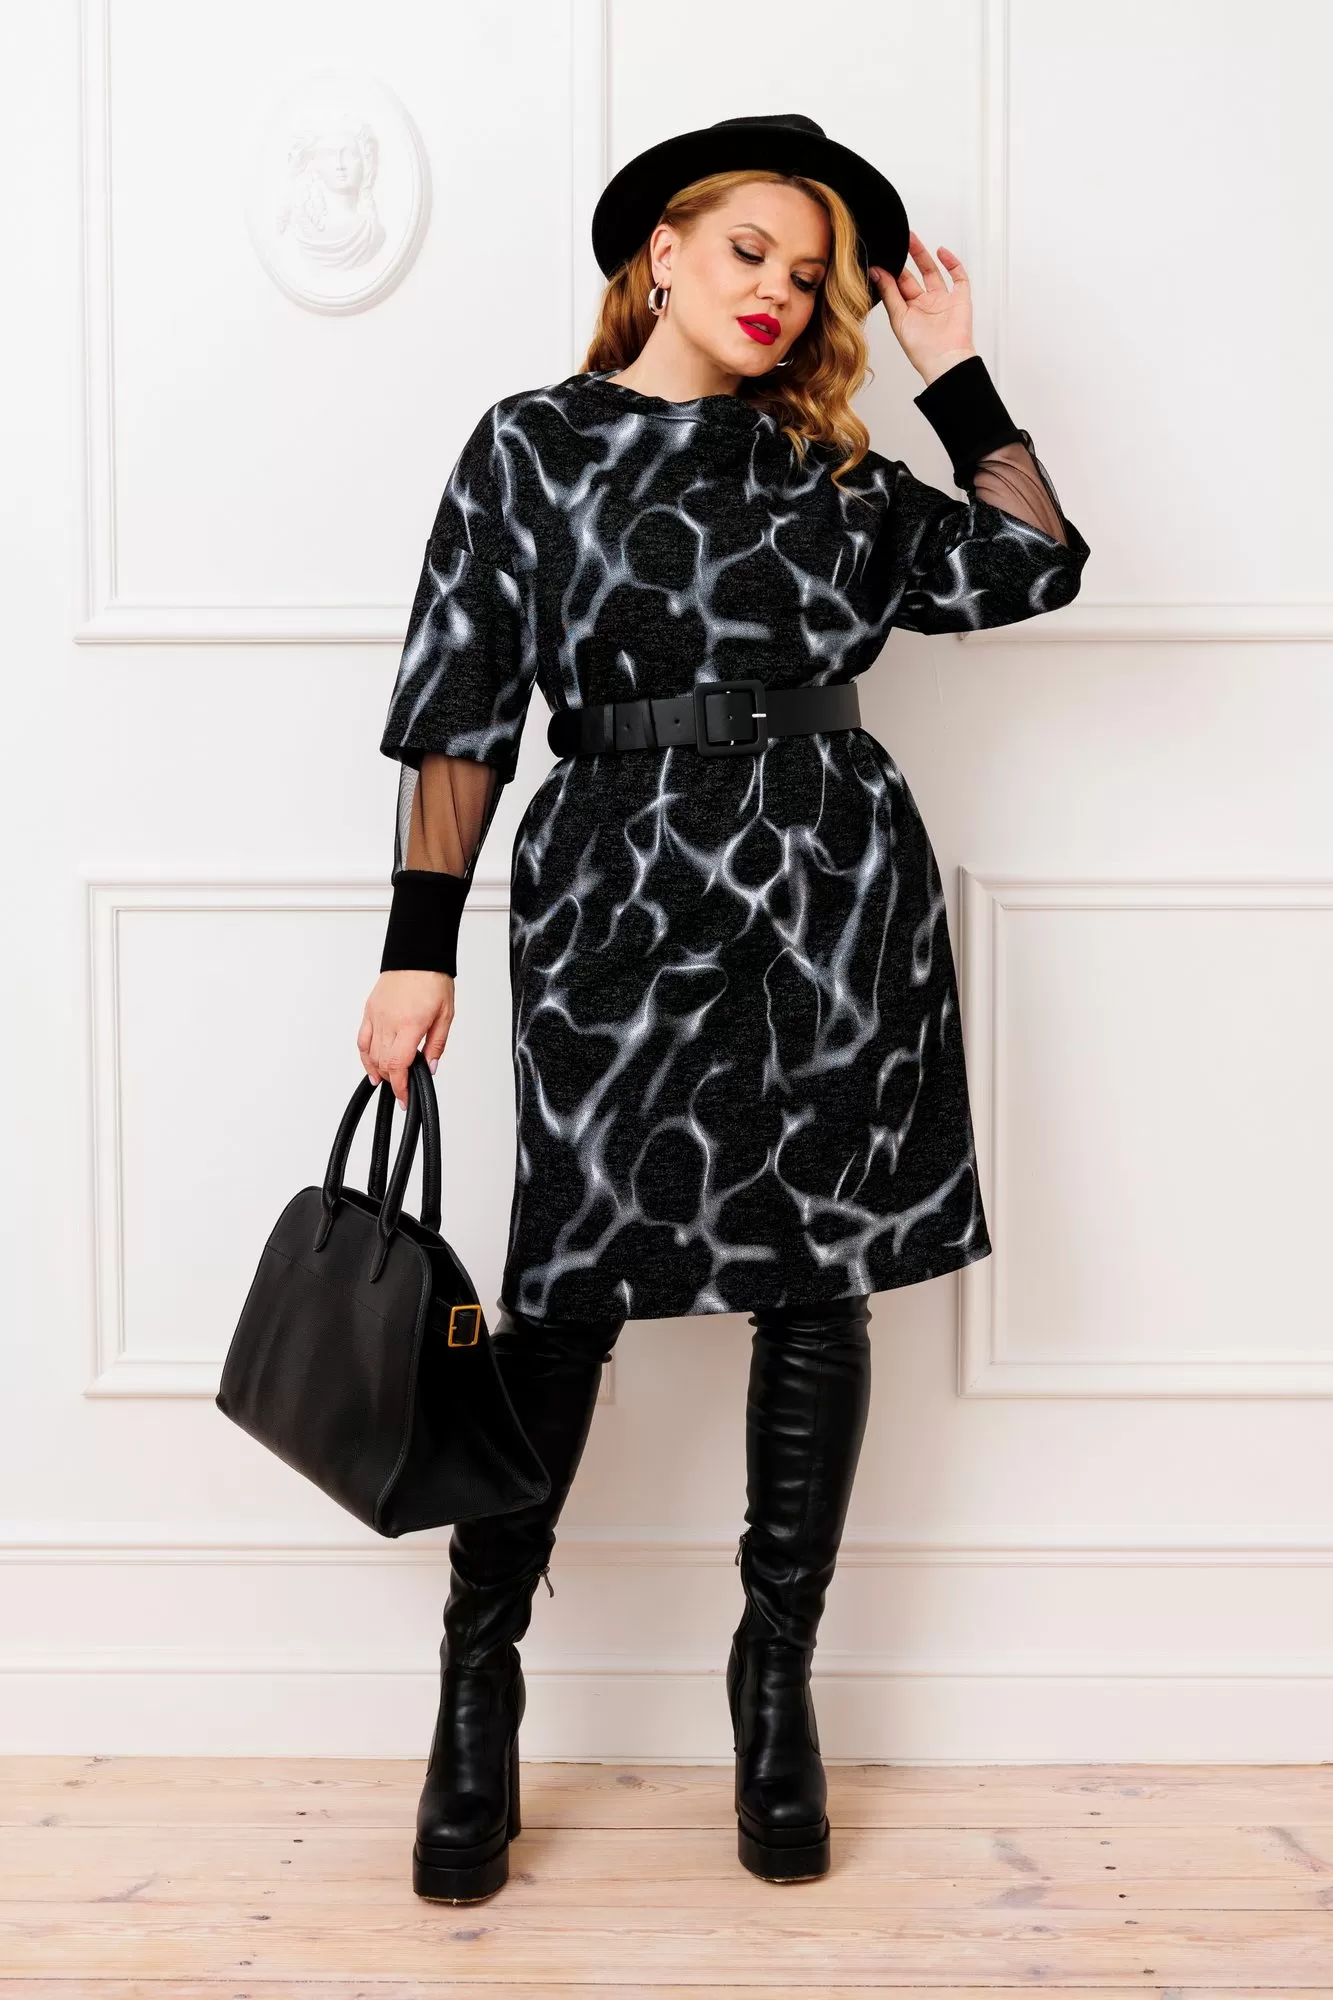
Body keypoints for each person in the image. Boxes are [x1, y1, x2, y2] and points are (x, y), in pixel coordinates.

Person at [357, 113, 1090, 1902]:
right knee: (564, 1291)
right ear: (663, 252)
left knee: (816, 1283)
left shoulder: (829, 467)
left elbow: (1034, 558)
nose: (779, 291)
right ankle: (477, 1682)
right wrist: (417, 942)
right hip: (615, 898)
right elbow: (461, 702)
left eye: (808, 273)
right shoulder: (532, 445)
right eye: (750, 250)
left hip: (835, 898)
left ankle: (777, 1688)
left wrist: (953, 369)